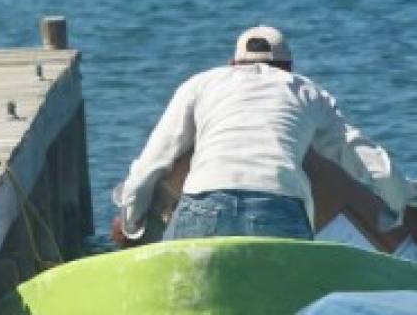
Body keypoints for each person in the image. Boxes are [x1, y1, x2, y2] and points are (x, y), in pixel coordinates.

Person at [114, 25, 413, 245]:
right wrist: (405, 204)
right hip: (279, 208)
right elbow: (363, 156)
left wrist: (130, 222)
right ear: (288, 67)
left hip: (204, 205)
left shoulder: (201, 84)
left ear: (233, 63)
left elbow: (152, 163)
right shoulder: (304, 90)